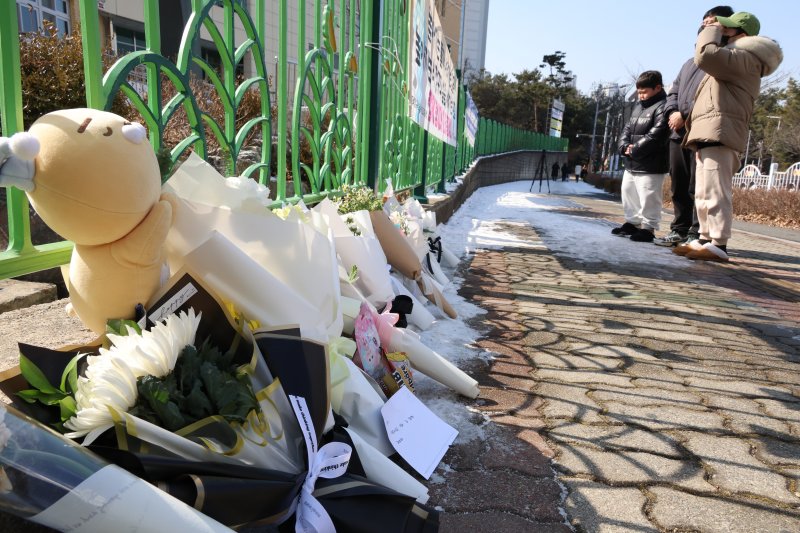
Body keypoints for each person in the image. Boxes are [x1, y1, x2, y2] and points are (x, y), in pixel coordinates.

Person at [676, 12, 783, 262]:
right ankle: (704, 238)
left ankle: (718, 242)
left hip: (721, 129)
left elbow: (705, 55)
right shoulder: (736, 56)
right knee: (703, 190)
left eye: (728, 29)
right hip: (710, 130)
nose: (722, 32)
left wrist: (710, 29)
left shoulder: (744, 57)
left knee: (715, 189)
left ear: (742, 34)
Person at [654, 6, 735, 248]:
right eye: (705, 22)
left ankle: (697, 231)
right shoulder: (689, 63)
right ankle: (678, 229)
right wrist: (673, 112)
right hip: (677, 132)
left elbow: (710, 98)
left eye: (713, 22)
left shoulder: (722, 61)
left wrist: (685, 115)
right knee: (679, 184)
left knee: (697, 187)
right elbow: (674, 92)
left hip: (700, 131)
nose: (707, 25)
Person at [611, 71, 671, 243]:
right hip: (632, 162)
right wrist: (623, 147)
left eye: (644, 92)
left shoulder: (663, 107)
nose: (641, 96)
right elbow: (627, 129)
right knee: (628, 192)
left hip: (652, 164)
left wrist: (634, 149)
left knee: (649, 196)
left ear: (657, 88)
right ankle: (633, 223)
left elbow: (657, 135)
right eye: (639, 92)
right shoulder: (638, 107)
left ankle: (648, 228)